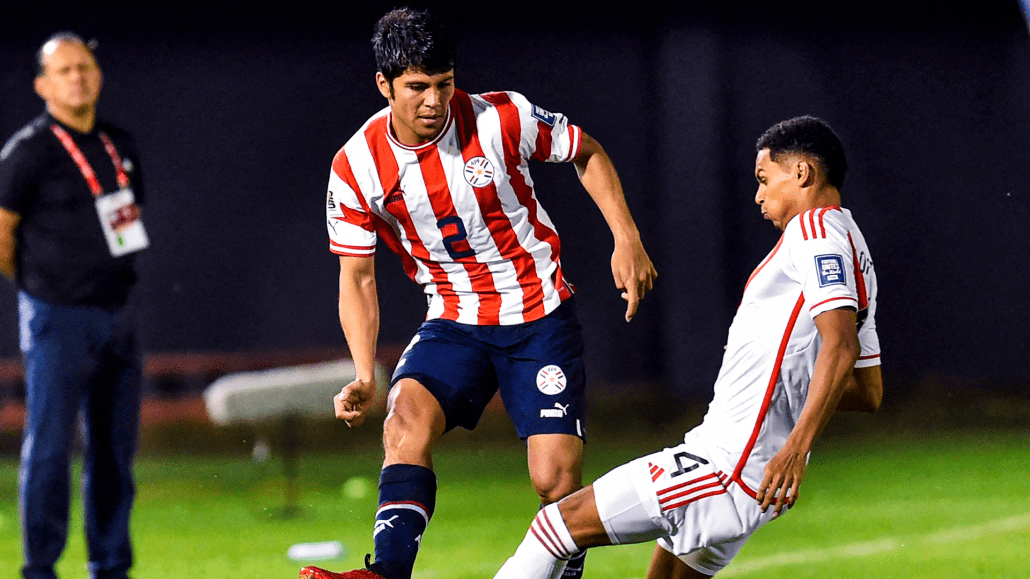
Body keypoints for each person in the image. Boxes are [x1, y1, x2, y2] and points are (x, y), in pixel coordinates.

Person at [300, 7, 656, 579]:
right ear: (383, 85)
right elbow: (357, 276)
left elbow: (585, 151)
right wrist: (365, 373)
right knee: (404, 421)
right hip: (454, 318)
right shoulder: (356, 165)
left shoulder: (500, 118)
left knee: (555, 480)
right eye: (417, 88)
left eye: (443, 84)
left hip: (538, 313)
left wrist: (626, 236)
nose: (434, 102)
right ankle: (385, 573)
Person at [492, 115, 883, 579]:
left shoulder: (815, 234)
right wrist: (764, 371)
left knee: (557, 526)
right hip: (752, 473)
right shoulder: (854, 248)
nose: (758, 194)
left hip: (725, 466)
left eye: (764, 179)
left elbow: (838, 349)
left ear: (801, 174)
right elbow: (866, 390)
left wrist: (796, 445)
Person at [0, 33, 149, 579]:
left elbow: (128, 223)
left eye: (84, 67)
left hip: (119, 313)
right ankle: (39, 566)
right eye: (64, 70)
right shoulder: (28, 152)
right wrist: (43, 290)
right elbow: (2, 234)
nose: (77, 78)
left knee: (114, 453)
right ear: (42, 84)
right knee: (50, 448)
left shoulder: (118, 144)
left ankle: (110, 564)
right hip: (56, 317)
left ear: (98, 74)